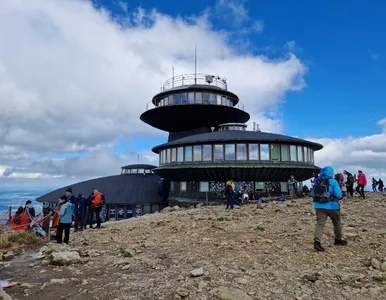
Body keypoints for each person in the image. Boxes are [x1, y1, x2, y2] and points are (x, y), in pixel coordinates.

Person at [312, 166, 347, 252]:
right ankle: (338, 240)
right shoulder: (333, 181)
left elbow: (313, 193)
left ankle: (317, 241)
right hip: (332, 206)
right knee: (336, 222)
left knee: (320, 224)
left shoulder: (317, 181)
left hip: (319, 206)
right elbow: (338, 194)